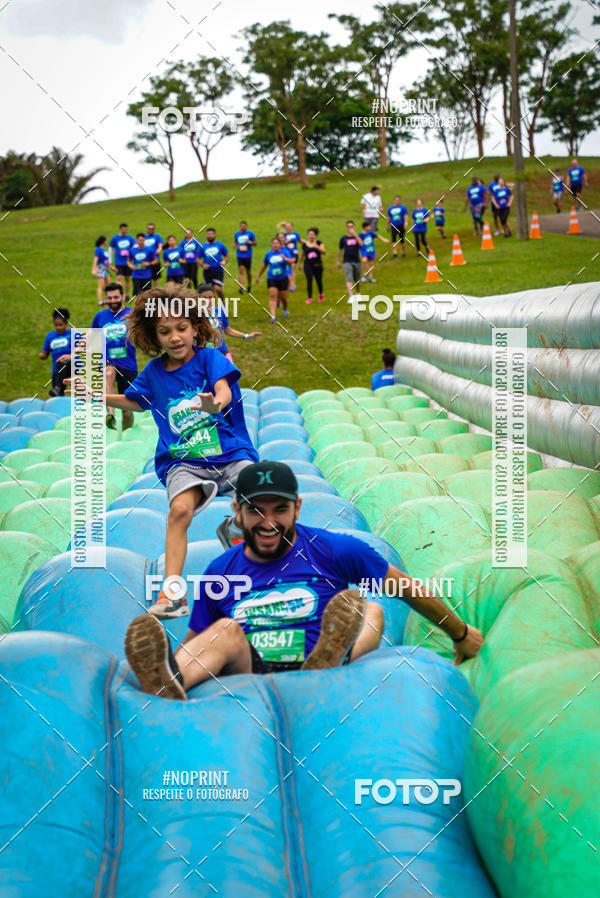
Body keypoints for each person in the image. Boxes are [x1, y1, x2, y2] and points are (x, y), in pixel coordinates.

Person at [123, 461, 485, 700]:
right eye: (255, 511)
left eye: (279, 510)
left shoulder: (334, 550)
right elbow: (198, 640)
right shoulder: (220, 571)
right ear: (237, 511)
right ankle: (168, 684)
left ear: (297, 507)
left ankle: (331, 659)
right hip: (255, 667)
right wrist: (174, 661)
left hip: (319, 653)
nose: (268, 522)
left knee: (371, 609)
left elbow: (406, 589)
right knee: (223, 632)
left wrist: (461, 633)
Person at [68, 283, 259, 618]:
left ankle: (236, 530)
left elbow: (222, 390)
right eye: (165, 331)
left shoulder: (209, 357)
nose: (175, 338)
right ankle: (172, 593)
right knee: (179, 512)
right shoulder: (154, 372)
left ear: (196, 327)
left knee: (257, 492)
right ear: (152, 337)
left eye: (182, 328)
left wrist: (215, 405)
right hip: (183, 459)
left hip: (228, 451)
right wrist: (95, 395)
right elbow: (135, 401)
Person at [91, 283, 138, 431]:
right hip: (107, 359)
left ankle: (125, 434)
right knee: (108, 372)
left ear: (123, 297)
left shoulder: (132, 314)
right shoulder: (100, 316)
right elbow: (92, 336)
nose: (113, 300)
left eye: (116, 297)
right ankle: (110, 413)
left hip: (128, 364)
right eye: (109, 298)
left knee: (128, 412)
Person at [198, 282, 261, 363]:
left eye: (210, 297)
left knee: (230, 373)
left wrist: (246, 336)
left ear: (214, 297)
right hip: (203, 354)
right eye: (204, 298)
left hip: (222, 351)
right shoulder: (195, 315)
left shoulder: (220, 312)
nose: (207, 300)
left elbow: (228, 330)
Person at [256, 237, 291, 322]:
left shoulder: (285, 252)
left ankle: (285, 309)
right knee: (272, 295)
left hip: (283, 278)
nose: (275, 245)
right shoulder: (268, 254)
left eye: (277, 243)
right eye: (274, 243)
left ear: (280, 244)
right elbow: (265, 265)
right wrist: (259, 276)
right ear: (272, 245)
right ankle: (273, 316)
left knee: (284, 298)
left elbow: (290, 262)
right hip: (272, 278)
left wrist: (285, 259)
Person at [40, 308, 72, 397]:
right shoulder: (50, 336)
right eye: (56, 325)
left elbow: (83, 345)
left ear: (66, 324)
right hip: (57, 368)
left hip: (72, 364)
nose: (58, 327)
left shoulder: (72, 334)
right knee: (57, 394)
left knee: (63, 361)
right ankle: (58, 392)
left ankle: (58, 387)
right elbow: (45, 352)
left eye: (60, 325)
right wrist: (42, 355)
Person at [337, 220, 363, 301]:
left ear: (354, 227)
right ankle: (351, 296)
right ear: (346, 228)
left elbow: (361, 244)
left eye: (351, 226)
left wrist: (355, 234)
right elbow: (340, 250)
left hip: (356, 260)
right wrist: (338, 261)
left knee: (357, 279)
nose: (350, 228)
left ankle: (358, 293)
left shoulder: (357, 237)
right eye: (348, 227)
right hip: (347, 261)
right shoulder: (343, 239)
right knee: (349, 278)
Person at [300, 228, 325, 304]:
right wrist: (300, 263)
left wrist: (317, 247)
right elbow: (302, 254)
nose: (311, 236)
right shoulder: (304, 245)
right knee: (309, 280)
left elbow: (324, 252)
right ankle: (310, 298)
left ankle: (321, 295)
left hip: (318, 265)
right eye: (310, 234)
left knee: (319, 281)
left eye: (313, 235)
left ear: (315, 235)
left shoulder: (319, 243)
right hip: (307, 265)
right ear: (308, 235)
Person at [201, 228, 229, 299]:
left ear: (215, 235)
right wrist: (202, 265)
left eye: (212, 234)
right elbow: (197, 258)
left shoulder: (220, 245)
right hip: (207, 272)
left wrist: (224, 261)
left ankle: (223, 303)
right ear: (206, 235)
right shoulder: (203, 246)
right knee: (210, 291)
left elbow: (226, 256)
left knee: (217, 289)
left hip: (218, 270)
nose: (210, 236)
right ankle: (212, 306)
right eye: (208, 234)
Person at [109, 223, 136, 295]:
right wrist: (110, 261)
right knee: (119, 278)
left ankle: (127, 294)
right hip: (119, 261)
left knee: (127, 279)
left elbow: (135, 247)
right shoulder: (115, 238)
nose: (124, 231)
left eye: (125, 230)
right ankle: (120, 294)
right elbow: (111, 249)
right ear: (120, 229)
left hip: (127, 262)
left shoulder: (130, 238)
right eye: (123, 230)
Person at [91, 236, 115, 305]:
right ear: (103, 241)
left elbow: (106, 261)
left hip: (106, 269)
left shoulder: (104, 249)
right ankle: (100, 301)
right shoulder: (98, 249)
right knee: (101, 286)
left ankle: (107, 300)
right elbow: (96, 259)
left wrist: (112, 268)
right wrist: (94, 269)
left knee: (108, 285)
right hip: (100, 269)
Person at [233, 221, 257, 294]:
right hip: (240, 255)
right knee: (241, 271)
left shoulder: (250, 233)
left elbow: (255, 243)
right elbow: (236, 241)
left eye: (244, 226)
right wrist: (234, 245)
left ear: (246, 227)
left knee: (248, 272)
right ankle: (241, 288)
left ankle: (249, 286)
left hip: (248, 255)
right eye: (241, 226)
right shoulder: (237, 234)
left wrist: (249, 242)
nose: (243, 227)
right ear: (240, 227)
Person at [282, 221, 301, 291]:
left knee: (292, 269)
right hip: (286, 254)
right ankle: (288, 282)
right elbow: (280, 243)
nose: (288, 228)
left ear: (292, 227)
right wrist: (285, 242)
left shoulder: (296, 234)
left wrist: (305, 242)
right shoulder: (283, 235)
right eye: (286, 227)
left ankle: (292, 285)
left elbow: (299, 240)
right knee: (287, 269)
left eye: (289, 227)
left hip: (294, 253)